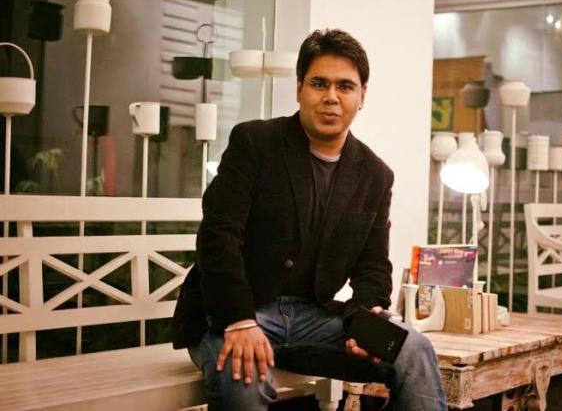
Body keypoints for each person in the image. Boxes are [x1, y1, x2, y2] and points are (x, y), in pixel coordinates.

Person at [172, 28, 447, 410]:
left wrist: (367, 315)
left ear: (362, 95)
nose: (331, 97)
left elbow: (372, 265)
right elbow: (219, 236)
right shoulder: (255, 143)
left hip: (313, 319)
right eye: (319, 83)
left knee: (414, 349)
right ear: (300, 88)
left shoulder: (375, 174)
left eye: (345, 86)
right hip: (233, 312)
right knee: (244, 375)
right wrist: (239, 321)